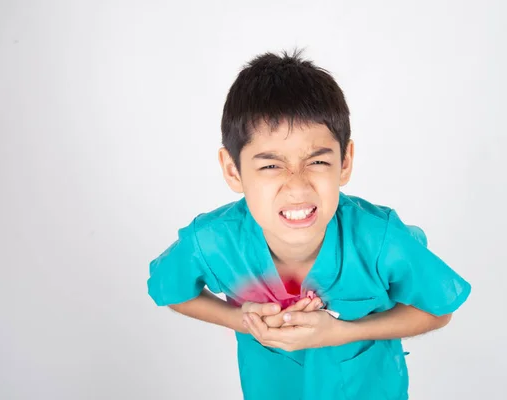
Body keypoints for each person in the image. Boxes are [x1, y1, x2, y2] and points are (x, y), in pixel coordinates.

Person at [147, 50, 471, 400]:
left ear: (344, 162)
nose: (298, 187)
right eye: (270, 166)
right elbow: (173, 291)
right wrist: (243, 320)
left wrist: (339, 332)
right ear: (232, 170)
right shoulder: (213, 242)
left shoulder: (379, 239)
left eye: (317, 161)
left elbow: (439, 310)